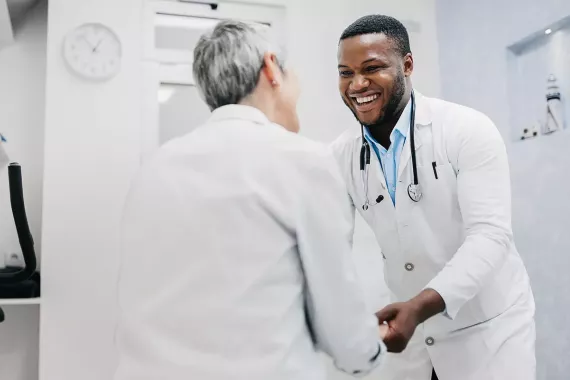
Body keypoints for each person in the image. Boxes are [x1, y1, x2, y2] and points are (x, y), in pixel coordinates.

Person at [114, 20, 386, 380]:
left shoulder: (154, 168)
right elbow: (340, 317)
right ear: (271, 67)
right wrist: (371, 349)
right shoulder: (300, 159)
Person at [330, 14, 536, 380]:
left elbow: (490, 236)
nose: (357, 84)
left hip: (487, 332)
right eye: (346, 73)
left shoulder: (466, 130)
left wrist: (418, 307)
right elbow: (329, 244)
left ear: (407, 65)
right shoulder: (341, 156)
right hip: (412, 341)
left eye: (372, 68)